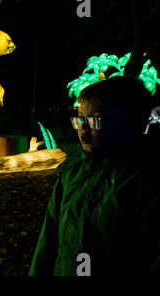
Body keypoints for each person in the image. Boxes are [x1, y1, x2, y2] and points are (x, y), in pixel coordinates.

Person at [29, 76, 159, 276]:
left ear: (133, 123)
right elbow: (49, 238)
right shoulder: (72, 174)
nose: (83, 127)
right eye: (80, 118)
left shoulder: (145, 180)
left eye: (95, 120)